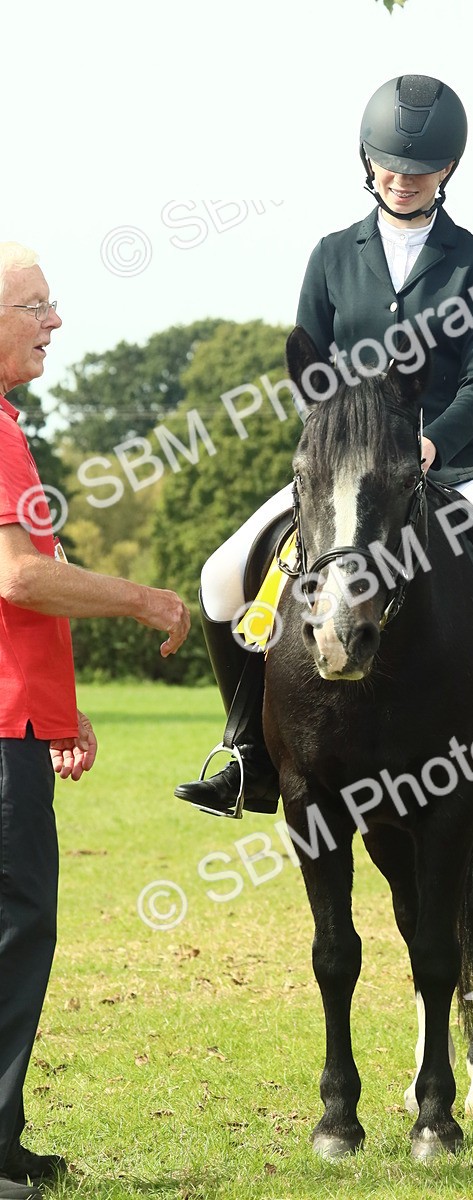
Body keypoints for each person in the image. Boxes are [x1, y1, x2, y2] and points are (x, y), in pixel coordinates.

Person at [175, 75, 473, 840]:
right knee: (217, 576)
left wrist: (434, 441)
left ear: (447, 173)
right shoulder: (333, 256)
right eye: (388, 165)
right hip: (344, 471)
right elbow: (311, 368)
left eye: (419, 168)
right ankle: (244, 753)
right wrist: (348, 449)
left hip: (457, 461)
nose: (401, 179)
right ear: (366, 163)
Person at [0, 242, 191, 1200]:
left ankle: (4, 1141)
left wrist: (61, 715)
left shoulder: (8, 424)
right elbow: (22, 578)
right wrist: (148, 600)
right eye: (35, 305)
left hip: (17, 727)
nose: (56, 320)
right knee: (13, 929)